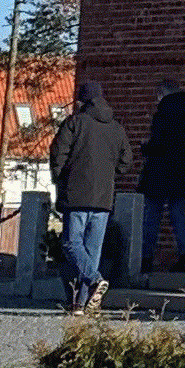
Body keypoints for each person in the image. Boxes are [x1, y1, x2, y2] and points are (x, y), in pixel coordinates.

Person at [45, 83, 132, 312]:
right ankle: (81, 304)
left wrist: (60, 179)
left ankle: (94, 279)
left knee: (72, 243)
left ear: (81, 101)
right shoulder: (116, 128)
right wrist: (108, 173)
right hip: (103, 197)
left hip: (76, 194)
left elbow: (58, 154)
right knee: (92, 251)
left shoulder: (75, 123)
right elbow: (126, 162)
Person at [137, 76, 185, 274]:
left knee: (152, 216)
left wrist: (146, 148)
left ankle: (146, 257)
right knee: (178, 214)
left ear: (162, 93)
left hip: (159, 173)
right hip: (182, 174)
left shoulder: (163, 113)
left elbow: (159, 144)